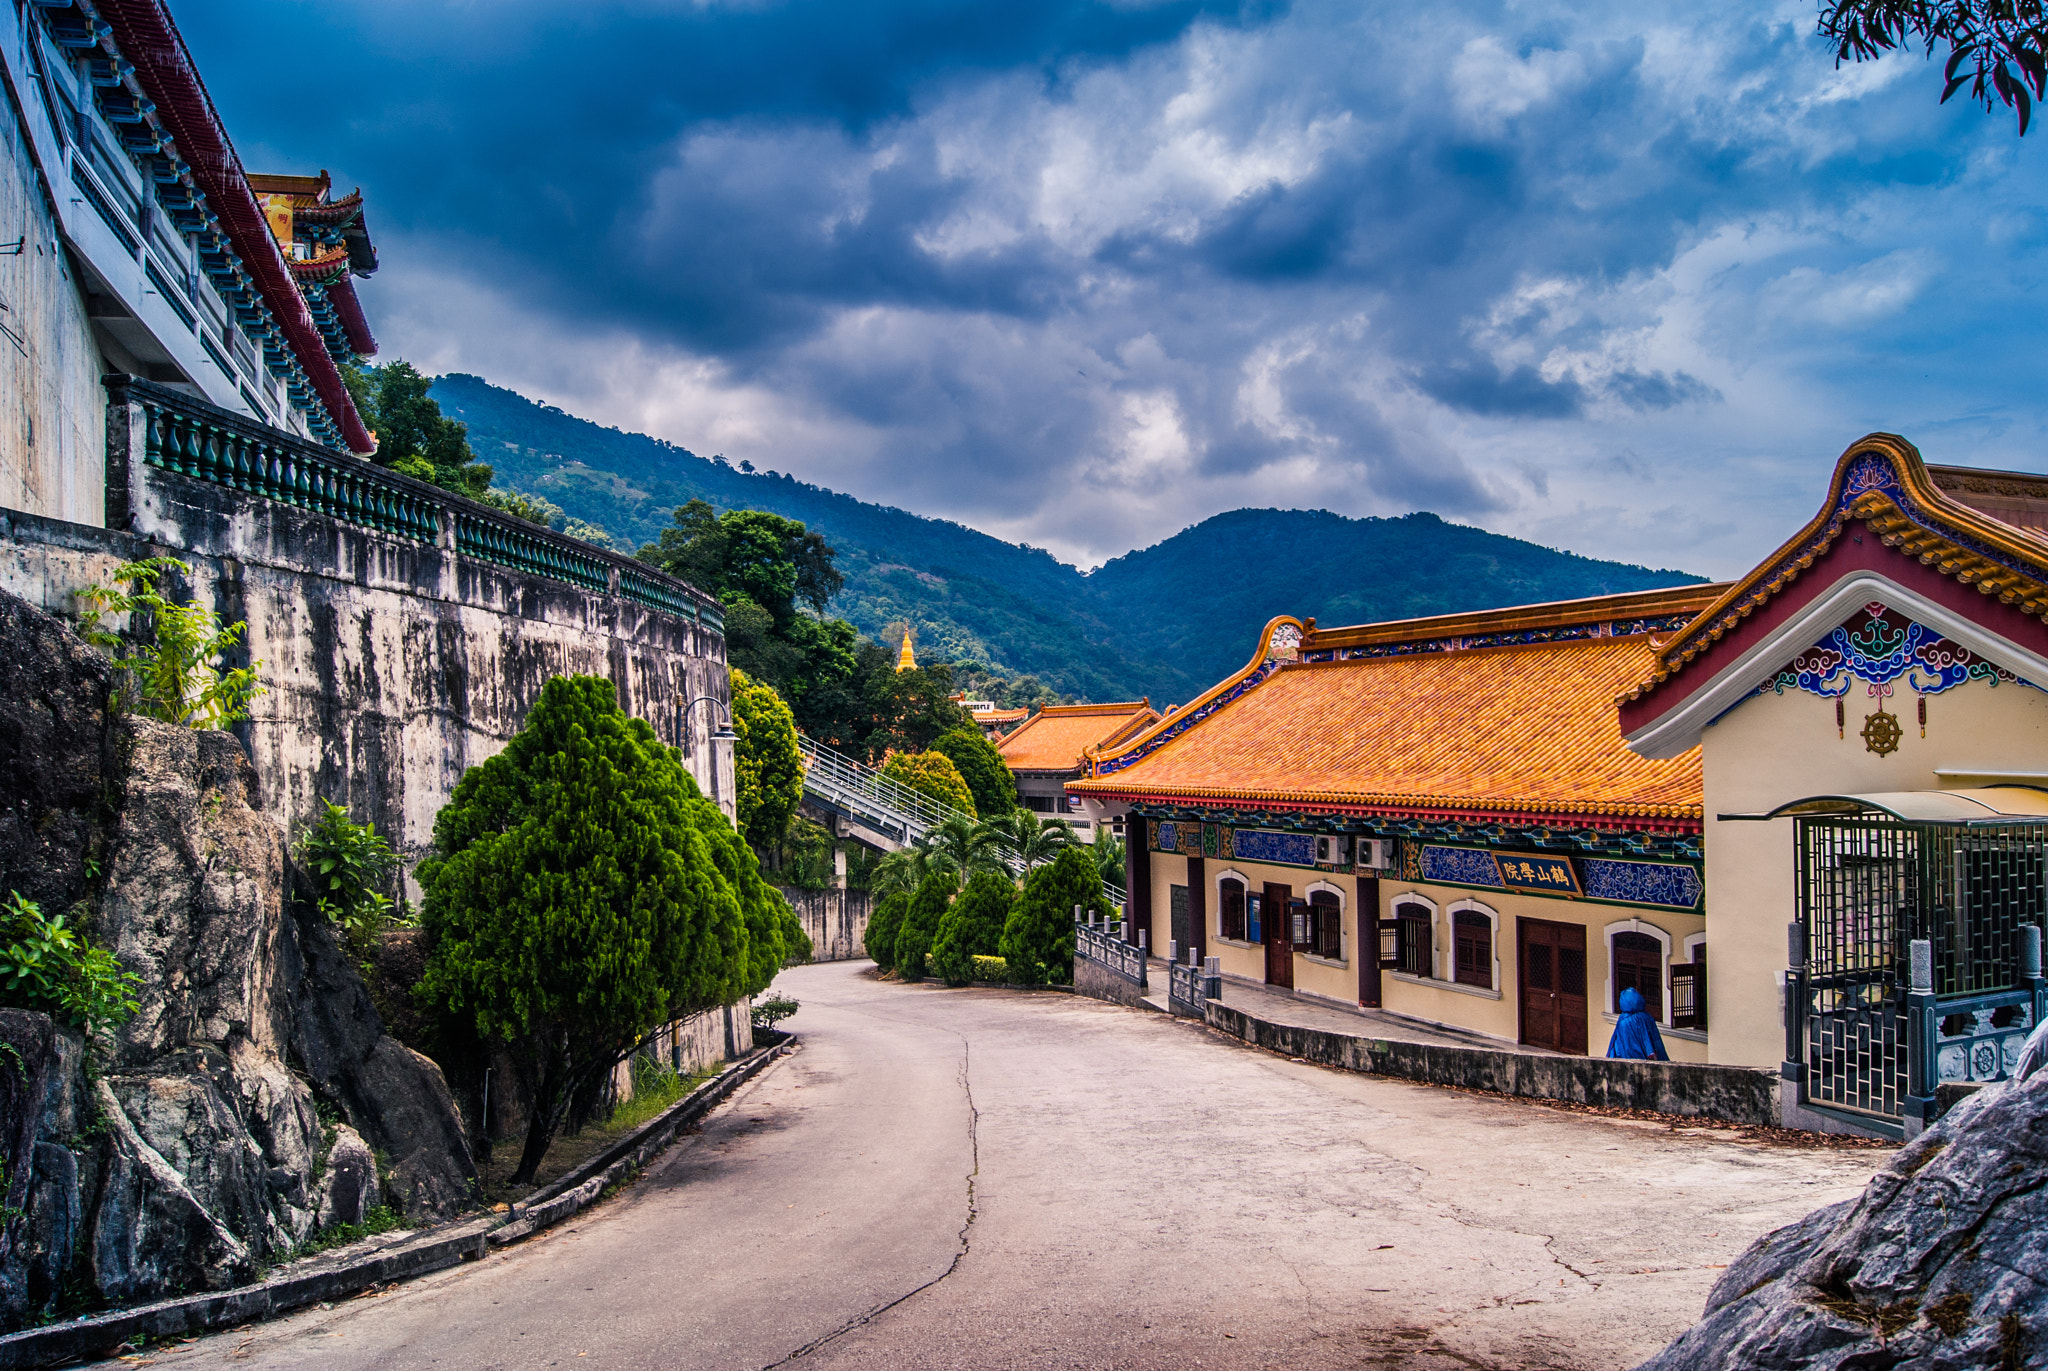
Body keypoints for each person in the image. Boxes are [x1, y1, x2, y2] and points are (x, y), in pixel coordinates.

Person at [1606, 986, 1669, 1061]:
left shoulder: (1623, 1021)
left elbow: (1617, 1045)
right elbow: (1648, 1041)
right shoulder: (1645, 1017)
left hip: (1626, 1061)